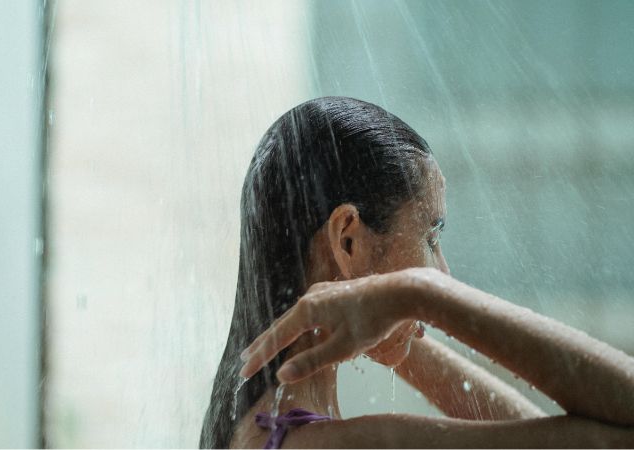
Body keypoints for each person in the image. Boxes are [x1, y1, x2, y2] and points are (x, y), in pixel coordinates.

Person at [199, 97, 634, 448]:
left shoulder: (265, 426)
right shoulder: (355, 443)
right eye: (431, 236)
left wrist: (379, 318)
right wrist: (418, 294)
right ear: (348, 239)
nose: (443, 270)